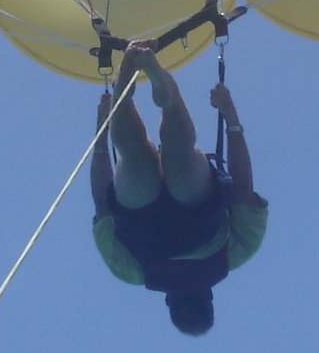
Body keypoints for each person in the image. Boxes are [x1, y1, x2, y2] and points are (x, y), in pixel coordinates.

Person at [91, 40, 268, 334]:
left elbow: (243, 191)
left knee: (180, 150)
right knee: (132, 154)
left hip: (199, 209)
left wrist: (232, 119)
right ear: (169, 303)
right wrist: (101, 133)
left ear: (208, 298)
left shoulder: (235, 255)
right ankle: (123, 98)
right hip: (141, 220)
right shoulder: (131, 273)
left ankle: (169, 99)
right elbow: (102, 204)